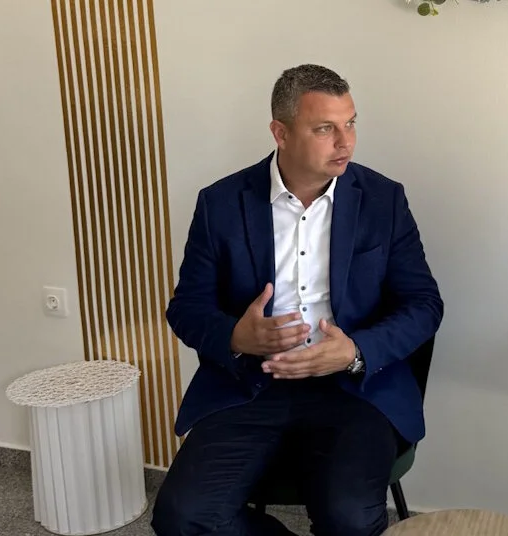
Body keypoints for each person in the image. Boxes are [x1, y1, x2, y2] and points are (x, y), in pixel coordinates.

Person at [152, 64, 444, 536]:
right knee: (182, 519)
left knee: (350, 520)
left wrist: (355, 351)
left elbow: (424, 304)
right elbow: (186, 307)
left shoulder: (383, 200)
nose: (345, 142)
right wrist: (236, 336)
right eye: (325, 128)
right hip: (252, 385)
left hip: (354, 389)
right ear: (281, 133)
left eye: (350, 123)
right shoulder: (221, 203)